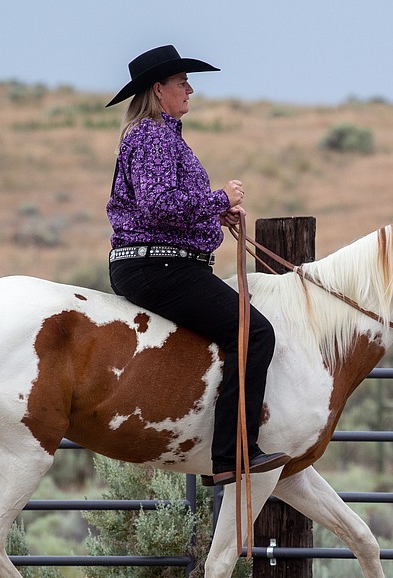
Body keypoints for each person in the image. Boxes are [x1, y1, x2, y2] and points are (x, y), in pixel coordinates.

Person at [105, 45, 288, 487]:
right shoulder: (152, 136)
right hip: (160, 267)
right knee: (253, 332)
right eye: (181, 81)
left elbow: (166, 207)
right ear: (158, 89)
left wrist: (211, 214)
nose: (190, 88)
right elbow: (157, 206)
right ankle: (232, 454)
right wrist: (219, 199)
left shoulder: (160, 135)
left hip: (160, 263)